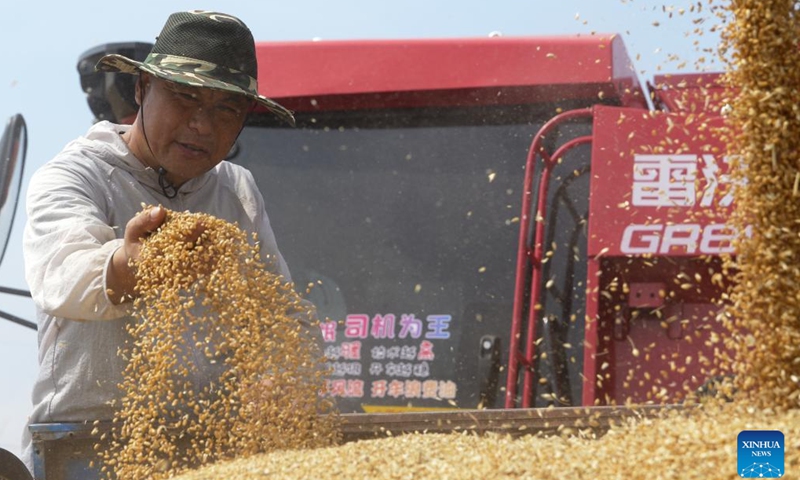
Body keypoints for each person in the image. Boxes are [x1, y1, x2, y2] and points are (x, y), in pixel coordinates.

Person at [20, 10, 302, 474]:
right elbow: (61, 274)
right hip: (84, 448)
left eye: (225, 110)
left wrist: (280, 373)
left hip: (212, 450)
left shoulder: (236, 190)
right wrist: (126, 266)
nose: (202, 126)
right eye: (185, 98)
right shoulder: (76, 175)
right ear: (142, 90)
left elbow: (280, 316)